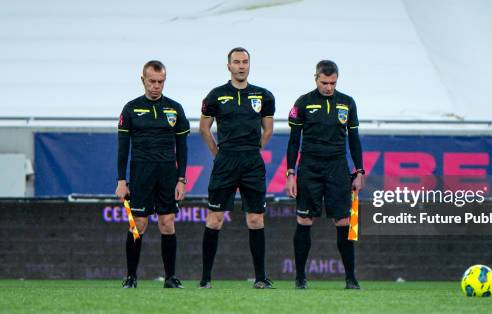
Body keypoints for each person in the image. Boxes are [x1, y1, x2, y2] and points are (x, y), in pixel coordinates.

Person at [199, 47, 275, 289]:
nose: (241, 66)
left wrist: (253, 150)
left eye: (245, 62)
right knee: (215, 219)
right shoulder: (215, 95)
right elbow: (204, 128)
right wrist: (218, 154)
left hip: (252, 162)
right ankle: (205, 279)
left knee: (255, 219)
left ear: (249, 65)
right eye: (236, 62)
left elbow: (269, 129)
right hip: (225, 161)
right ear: (228, 66)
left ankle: (261, 278)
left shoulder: (263, 95)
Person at [285, 60, 365, 289]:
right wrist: (291, 172)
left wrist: (359, 170)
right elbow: (293, 142)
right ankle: (300, 277)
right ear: (316, 78)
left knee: (343, 221)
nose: (329, 87)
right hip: (309, 166)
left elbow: (354, 140)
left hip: (337, 167)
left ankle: (351, 278)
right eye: (324, 82)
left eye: (333, 83)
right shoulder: (303, 102)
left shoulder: (347, 103)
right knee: (304, 220)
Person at [116, 60, 190, 289]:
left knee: (167, 224)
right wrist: (121, 180)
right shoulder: (130, 109)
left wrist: (181, 179)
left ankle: (170, 278)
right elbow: (122, 147)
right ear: (143, 80)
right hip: (141, 173)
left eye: (160, 82)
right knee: (138, 224)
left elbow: (183, 146)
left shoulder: (175, 108)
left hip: (168, 173)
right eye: (152, 81)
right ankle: (131, 277)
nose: (156, 86)